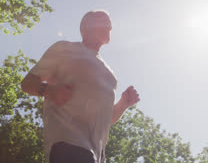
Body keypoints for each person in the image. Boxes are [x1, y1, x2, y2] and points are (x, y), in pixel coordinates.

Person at [21, 10, 140, 163]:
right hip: (67, 144)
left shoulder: (110, 75)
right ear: (86, 25)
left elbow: (105, 119)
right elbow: (27, 83)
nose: (109, 25)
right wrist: (49, 90)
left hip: (96, 156)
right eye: (102, 21)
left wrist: (124, 103)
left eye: (109, 23)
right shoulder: (64, 49)